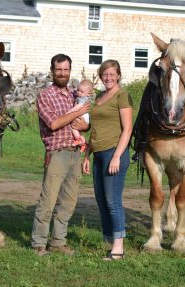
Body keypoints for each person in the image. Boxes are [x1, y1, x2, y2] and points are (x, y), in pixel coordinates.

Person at [31, 53, 90, 256]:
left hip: (75, 153)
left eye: (65, 70)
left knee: (68, 201)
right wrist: (76, 113)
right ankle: (38, 243)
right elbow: (54, 123)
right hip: (57, 153)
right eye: (59, 70)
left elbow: (85, 121)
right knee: (48, 200)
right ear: (52, 71)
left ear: (70, 71)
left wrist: (84, 123)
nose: (62, 73)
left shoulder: (76, 95)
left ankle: (58, 241)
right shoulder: (45, 95)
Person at [83, 59, 133, 260]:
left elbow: (127, 129)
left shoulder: (123, 96)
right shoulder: (100, 97)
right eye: (105, 74)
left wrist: (117, 157)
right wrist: (87, 154)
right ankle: (112, 240)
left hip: (114, 153)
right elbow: (95, 129)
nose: (108, 77)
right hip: (98, 154)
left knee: (113, 201)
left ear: (119, 75)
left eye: (112, 74)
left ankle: (118, 248)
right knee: (102, 200)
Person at [68, 79, 93, 152]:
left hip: (83, 116)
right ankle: (83, 143)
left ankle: (79, 140)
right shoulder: (82, 96)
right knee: (77, 129)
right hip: (84, 116)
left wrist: (70, 111)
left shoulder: (83, 98)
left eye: (81, 91)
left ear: (88, 93)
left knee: (73, 127)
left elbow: (79, 106)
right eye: (78, 90)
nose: (79, 92)